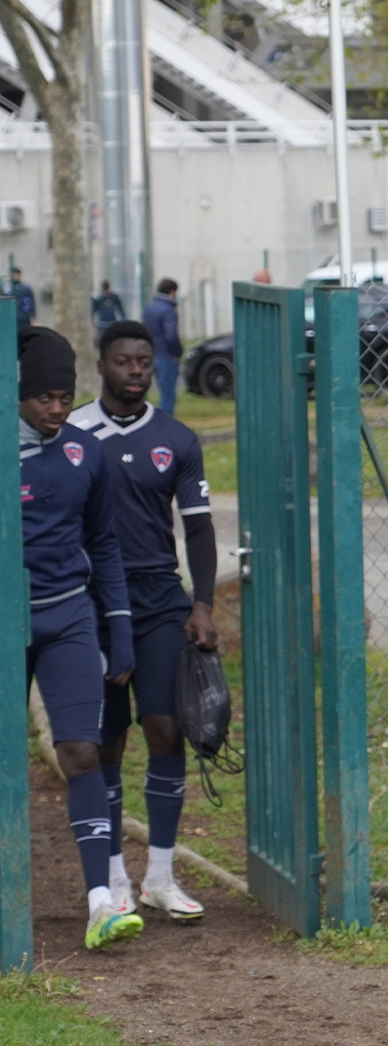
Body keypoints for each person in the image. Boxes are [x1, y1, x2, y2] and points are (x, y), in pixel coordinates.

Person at [69, 319, 218, 922]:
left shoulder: (176, 438)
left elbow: (199, 527)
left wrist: (202, 603)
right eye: (123, 361)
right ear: (101, 366)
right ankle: (112, 879)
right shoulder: (74, 432)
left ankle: (160, 875)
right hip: (92, 601)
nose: (135, 370)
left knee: (166, 727)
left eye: (143, 361)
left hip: (159, 599)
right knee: (105, 741)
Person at [17, 326, 141, 950]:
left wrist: (118, 625)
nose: (57, 409)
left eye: (65, 398)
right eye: (44, 398)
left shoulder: (83, 452)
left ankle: (100, 903)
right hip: (8, 622)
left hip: (68, 618)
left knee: (82, 752)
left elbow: (104, 543)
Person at [141, 278, 182, 414]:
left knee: (143, 391)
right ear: (172, 292)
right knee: (167, 394)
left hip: (150, 354)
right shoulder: (168, 310)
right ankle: (165, 422)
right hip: (166, 355)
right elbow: (171, 335)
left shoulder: (149, 308)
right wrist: (177, 352)